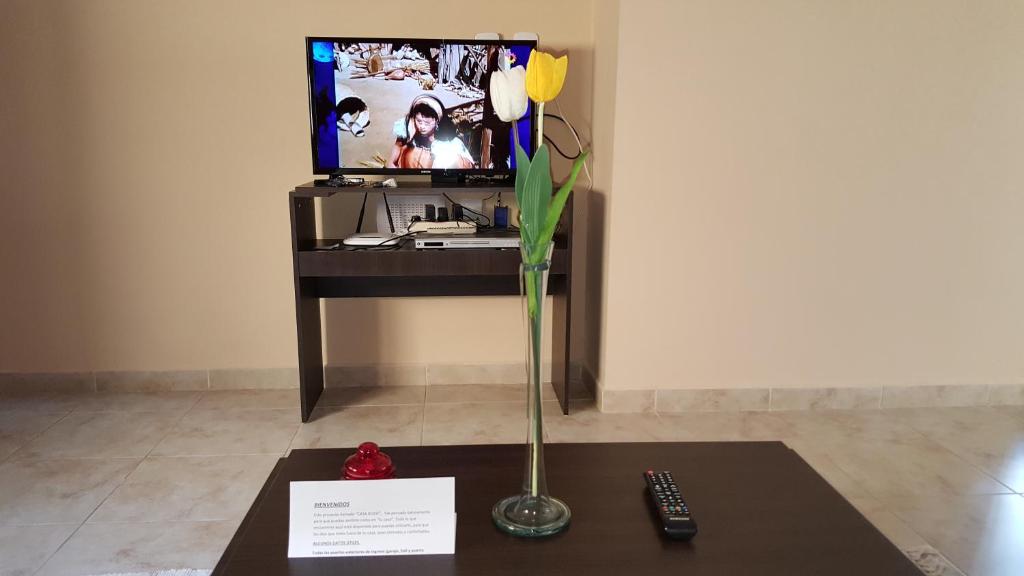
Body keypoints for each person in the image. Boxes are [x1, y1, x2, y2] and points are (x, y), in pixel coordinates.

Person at [386, 94, 474, 169]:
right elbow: (394, 154)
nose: (422, 127)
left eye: (427, 123)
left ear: (437, 121)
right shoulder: (409, 128)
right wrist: (391, 165)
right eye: (419, 121)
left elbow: (468, 165)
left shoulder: (449, 141)